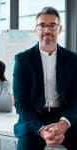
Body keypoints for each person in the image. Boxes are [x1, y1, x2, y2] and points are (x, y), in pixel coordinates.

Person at [13, 7, 77, 150]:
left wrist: (64, 124)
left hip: (65, 116)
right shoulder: (23, 60)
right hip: (33, 119)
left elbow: (76, 98)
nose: (47, 30)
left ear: (59, 29)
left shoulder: (73, 60)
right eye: (42, 25)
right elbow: (21, 102)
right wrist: (41, 130)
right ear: (36, 30)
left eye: (52, 25)